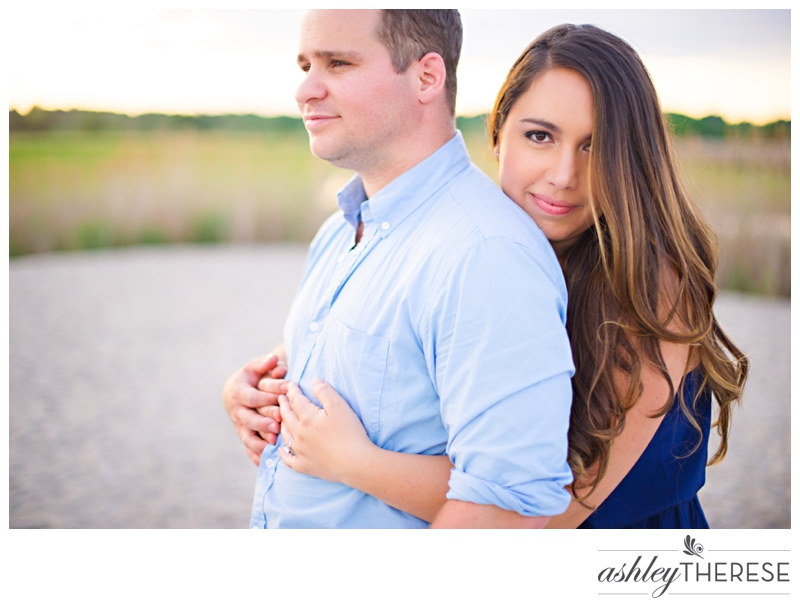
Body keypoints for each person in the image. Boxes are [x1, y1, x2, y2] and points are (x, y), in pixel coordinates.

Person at [248, 23, 749, 528]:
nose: (562, 175)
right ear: (498, 134)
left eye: (594, 147)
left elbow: (552, 510)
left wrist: (356, 464)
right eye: (540, 136)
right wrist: (257, 389)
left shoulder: (650, 290)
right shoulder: (467, 245)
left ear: (632, 160)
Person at [224, 9, 576, 528]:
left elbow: (508, 513)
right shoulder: (340, 230)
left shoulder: (485, 254)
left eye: (338, 63)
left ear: (427, 77)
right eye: (305, 65)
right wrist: (254, 394)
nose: (305, 91)